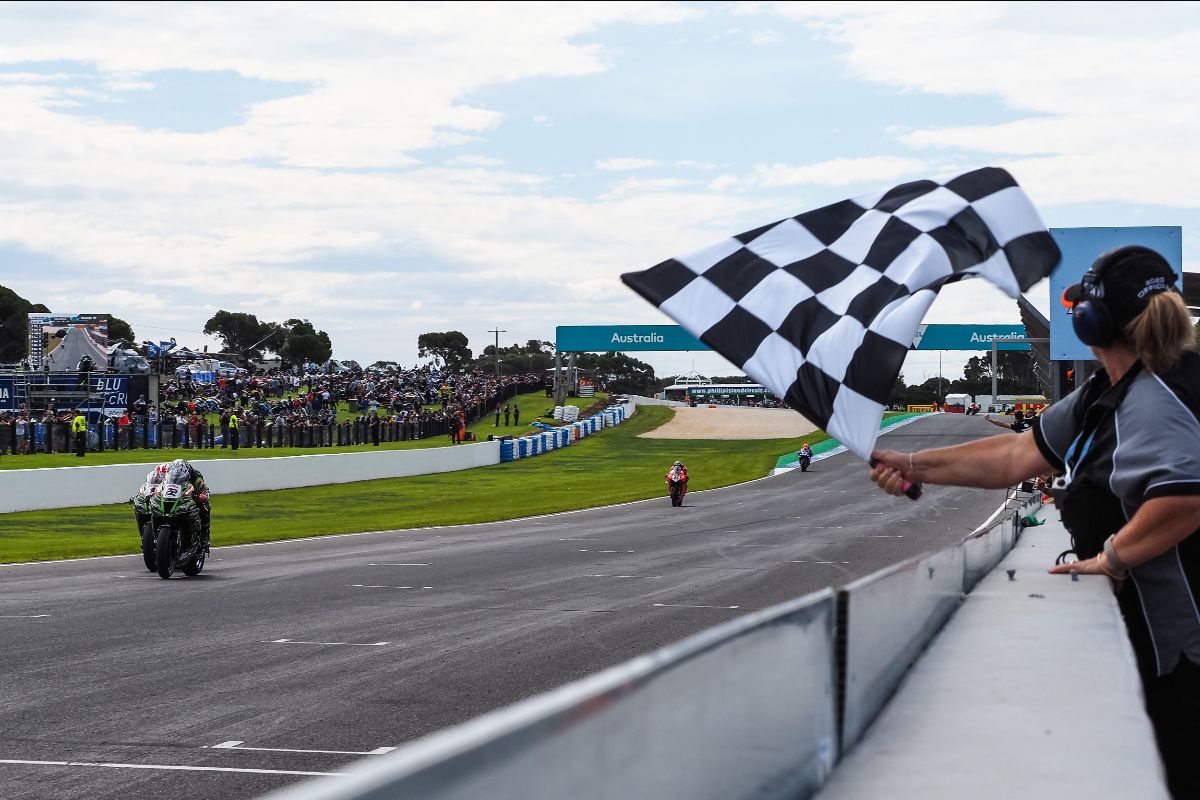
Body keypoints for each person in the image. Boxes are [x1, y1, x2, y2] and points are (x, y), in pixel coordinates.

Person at [868, 245, 1200, 798]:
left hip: (1182, 648)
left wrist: (1113, 556)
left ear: (1093, 319)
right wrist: (913, 463)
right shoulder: (1112, 389)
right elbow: (1019, 456)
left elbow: (1185, 500)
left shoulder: (1156, 395)